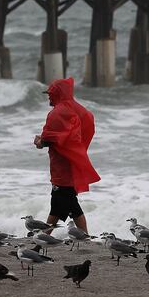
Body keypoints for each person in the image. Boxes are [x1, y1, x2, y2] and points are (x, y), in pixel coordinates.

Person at [33, 77, 100, 234]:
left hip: (62, 167)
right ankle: (43, 238)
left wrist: (40, 142)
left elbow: (52, 139)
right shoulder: (79, 110)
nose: (49, 96)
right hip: (71, 162)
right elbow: (76, 132)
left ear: (58, 93)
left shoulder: (57, 112)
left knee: (68, 203)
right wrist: (77, 148)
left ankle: (82, 237)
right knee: (59, 204)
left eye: (51, 93)